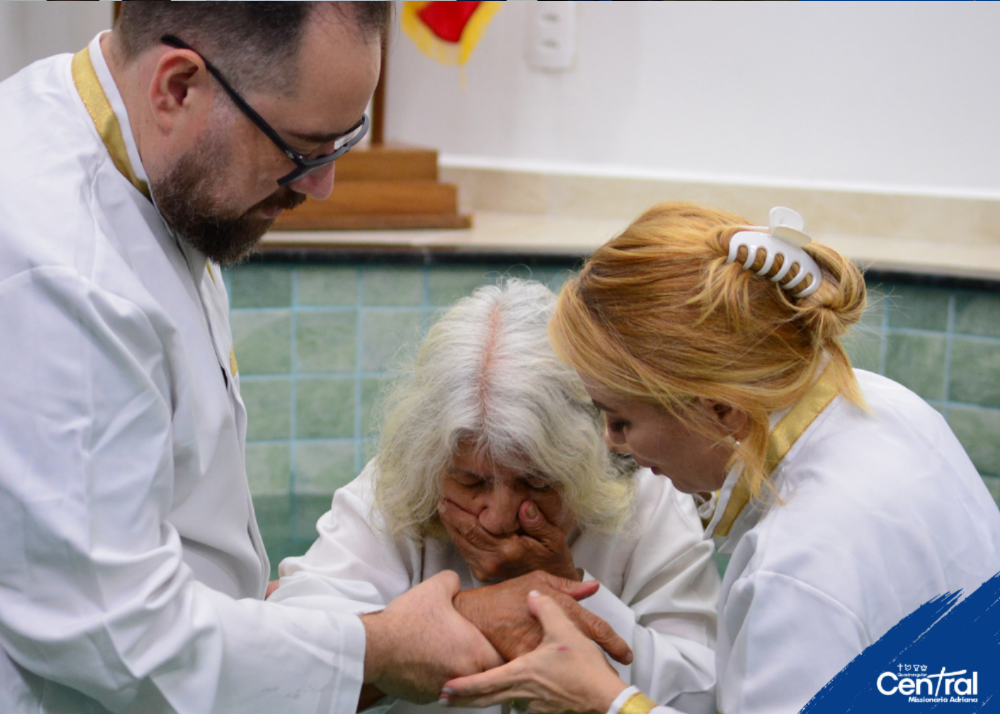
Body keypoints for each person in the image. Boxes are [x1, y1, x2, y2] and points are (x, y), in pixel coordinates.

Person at [0, 5, 619, 713]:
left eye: (341, 143)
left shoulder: (142, 163)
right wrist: (380, 649)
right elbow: (116, 632)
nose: (319, 186)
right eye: (302, 149)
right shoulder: (59, 273)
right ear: (177, 86)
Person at [438, 203, 1000, 714]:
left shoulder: (797, 566)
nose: (611, 442)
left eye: (622, 419)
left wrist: (607, 704)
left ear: (721, 410)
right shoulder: (887, 404)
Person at [269, 279, 721, 714]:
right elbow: (285, 663)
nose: (500, 518)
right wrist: (464, 618)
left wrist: (567, 590)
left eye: (538, 482)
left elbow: (704, 694)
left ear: (586, 459)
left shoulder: (647, 495)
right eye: (472, 483)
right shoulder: (400, 485)